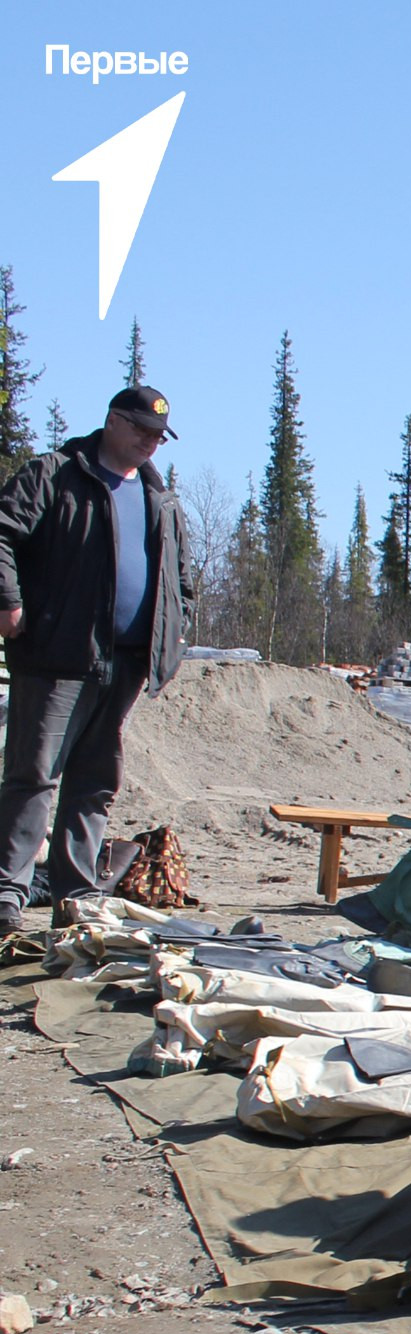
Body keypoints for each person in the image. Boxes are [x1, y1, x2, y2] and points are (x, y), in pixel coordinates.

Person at [0, 386, 195, 935]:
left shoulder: (160, 497)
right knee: (33, 776)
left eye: (158, 436)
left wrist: (172, 637)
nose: (150, 443)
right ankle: (6, 898)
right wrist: (9, 603)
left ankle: (78, 899)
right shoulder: (54, 475)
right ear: (112, 421)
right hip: (57, 655)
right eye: (141, 430)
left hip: (126, 663)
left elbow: (179, 581)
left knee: (94, 782)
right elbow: (2, 534)